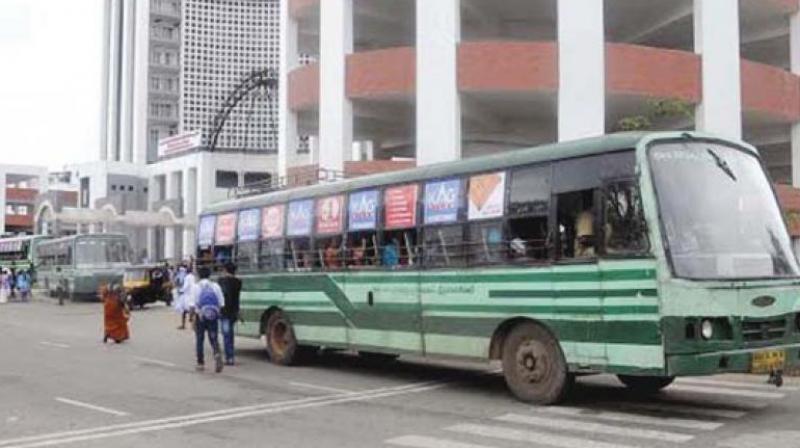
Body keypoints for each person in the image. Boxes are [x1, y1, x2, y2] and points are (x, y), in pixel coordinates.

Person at [189, 266, 225, 373]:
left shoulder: (196, 287)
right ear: (210, 275)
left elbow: (192, 305)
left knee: (200, 339)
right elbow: (221, 303)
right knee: (213, 338)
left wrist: (191, 318)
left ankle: (200, 363)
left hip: (200, 316)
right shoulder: (215, 286)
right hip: (213, 316)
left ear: (199, 275)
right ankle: (217, 354)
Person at [217, 262, 241, 366]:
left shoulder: (223, 281)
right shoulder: (238, 282)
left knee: (227, 335)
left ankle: (229, 357)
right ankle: (230, 356)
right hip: (234, 311)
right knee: (230, 334)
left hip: (225, 311)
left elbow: (224, 296)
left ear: (225, 270)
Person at [174, 265, 194, 330]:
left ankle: (184, 325)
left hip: (186, 296)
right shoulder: (192, 276)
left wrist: (180, 291)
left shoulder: (187, 277)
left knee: (184, 311)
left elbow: (185, 286)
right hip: (191, 295)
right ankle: (192, 325)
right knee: (191, 310)